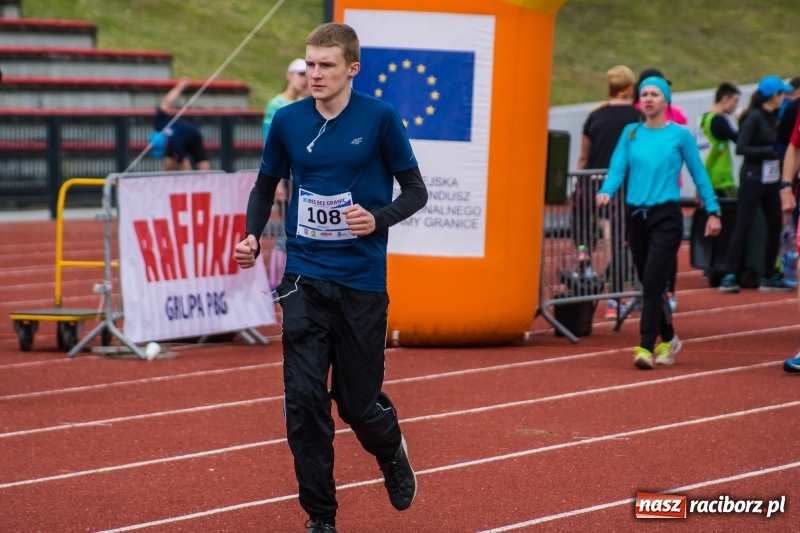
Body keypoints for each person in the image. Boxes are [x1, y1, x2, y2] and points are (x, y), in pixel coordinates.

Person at [233, 22, 427, 533]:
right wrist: (253, 236)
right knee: (303, 401)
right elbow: (264, 184)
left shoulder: (380, 118)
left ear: (351, 69)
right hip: (303, 275)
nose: (314, 74)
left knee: (357, 405)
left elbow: (415, 190)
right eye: (310, 65)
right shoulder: (288, 121)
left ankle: (390, 450)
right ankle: (321, 517)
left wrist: (377, 217)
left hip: (361, 279)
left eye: (325, 66)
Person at [596, 76, 721, 370]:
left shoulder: (679, 136)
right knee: (649, 282)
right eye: (644, 94)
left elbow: (699, 174)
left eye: (655, 94)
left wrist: (713, 210)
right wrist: (606, 190)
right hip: (636, 216)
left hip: (666, 216)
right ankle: (669, 338)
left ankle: (644, 345)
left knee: (652, 279)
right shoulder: (630, 133)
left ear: (666, 101)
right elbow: (617, 169)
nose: (649, 99)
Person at [573, 65, 642, 319]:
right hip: (619, 187)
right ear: (630, 88)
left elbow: (583, 157)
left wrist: (579, 186)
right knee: (618, 242)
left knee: (585, 226)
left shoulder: (594, 116)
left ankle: (583, 252)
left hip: (590, 181)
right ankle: (614, 301)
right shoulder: (637, 119)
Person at [719, 76, 795, 293]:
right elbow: (741, 147)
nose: (785, 98)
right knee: (743, 225)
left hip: (770, 181)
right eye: (782, 94)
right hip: (752, 179)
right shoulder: (754, 118)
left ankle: (769, 274)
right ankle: (729, 274)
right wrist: (768, 152)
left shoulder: (774, 118)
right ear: (774, 96)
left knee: (774, 226)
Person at [634, 68, 688, 312]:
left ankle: (663, 292)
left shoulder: (673, 117)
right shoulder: (638, 117)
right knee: (652, 248)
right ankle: (661, 292)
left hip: (663, 191)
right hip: (647, 192)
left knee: (662, 246)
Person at [150, 78, 211, 171]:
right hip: (176, 139)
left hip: (194, 137)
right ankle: (165, 182)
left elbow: (186, 165)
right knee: (169, 162)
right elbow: (165, 104)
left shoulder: (175, 143)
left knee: (202, 165)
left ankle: (207, 181)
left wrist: (180, 87)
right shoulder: (159, 123)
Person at [697, 82, 741, 198]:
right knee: (734, 212)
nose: (736, 106)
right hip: (722, 179)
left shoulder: (701, 120)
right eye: (735, 101)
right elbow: (740, 141)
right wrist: (742, 121)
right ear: (725, 100)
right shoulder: (719, 120)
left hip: (706, 178)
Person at [263, 58, 310, 141]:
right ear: (289, 75)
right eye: (301, 74)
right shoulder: (275, 104)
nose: (304, 79)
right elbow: (268, 136)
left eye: (307, 76)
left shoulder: (305, 103)